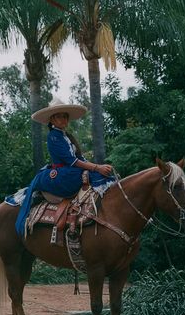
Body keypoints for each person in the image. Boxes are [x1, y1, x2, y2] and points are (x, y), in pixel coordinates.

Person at [15, 98, 116, 236]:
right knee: (97, 175)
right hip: (64, 173)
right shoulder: (54, 137)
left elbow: (79, 158)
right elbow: (72, 161)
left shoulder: (65, 136)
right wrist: (97, 167)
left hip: (70, 169)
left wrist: (93, 166)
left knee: (103, 174)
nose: (62, 119)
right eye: (58, 116)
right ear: (51, 120)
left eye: (65, 116)